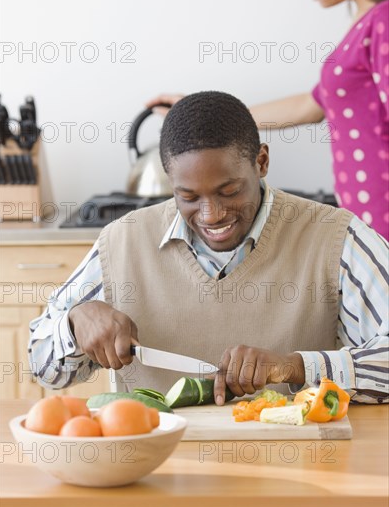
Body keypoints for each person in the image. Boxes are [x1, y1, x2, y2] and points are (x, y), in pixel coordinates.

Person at [29, 91, 388, 405]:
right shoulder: (122, 242)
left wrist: (294, 366)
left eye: (229, 191)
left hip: (305, 469)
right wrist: (75, 323)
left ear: (262, 161)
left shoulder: (336, 237)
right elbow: (43, 367)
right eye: (188, 197)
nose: (211, 215)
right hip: (153, 473)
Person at [147, 0, 389, 240]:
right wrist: (204, 114)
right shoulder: (366, 25)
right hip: (368, 208)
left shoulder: (383, 19)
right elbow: (310, 106)